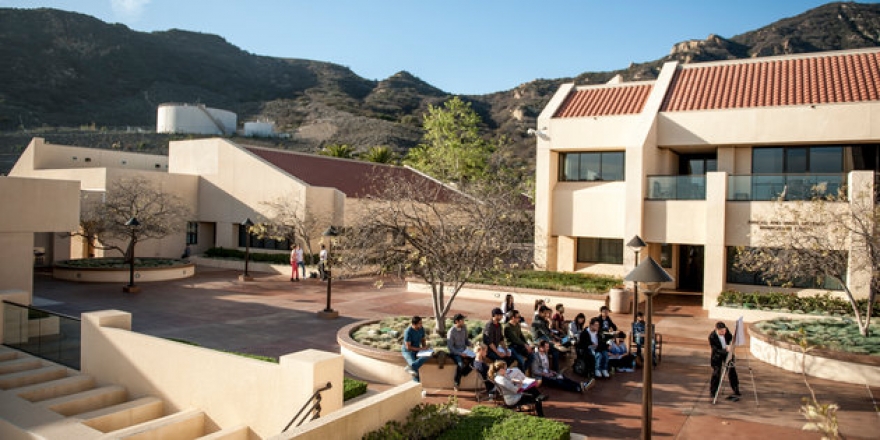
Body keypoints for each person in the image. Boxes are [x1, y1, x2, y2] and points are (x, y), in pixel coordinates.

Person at [709, 321, 741, 400]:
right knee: (716, 373)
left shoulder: (726, 331)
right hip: (717, 356)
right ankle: (713, 391)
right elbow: (715, 349)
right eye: (722, 331)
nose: (724, 332)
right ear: (717, 330)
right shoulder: (712, 336)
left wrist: (730, 345)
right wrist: (725, 350)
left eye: (724, 330)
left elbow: (730, 338)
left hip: (727, 354)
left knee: (731, 370)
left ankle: (736, 389)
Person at [447, 313, 474, 390]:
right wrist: (460, 354)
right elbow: (450, 348)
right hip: (455, 353)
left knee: (476, 360)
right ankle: (456, 383)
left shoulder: (464, 328)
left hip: (465, 351)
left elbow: (466, 340)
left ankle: (463, 373)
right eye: (462, 320)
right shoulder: (451, 332)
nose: (464, 322)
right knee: (460, 365)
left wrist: (471, 344)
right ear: (457, 321)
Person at [530, 305, 562, 371]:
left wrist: (555, 337)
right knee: (554, 349)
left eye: (547, 313)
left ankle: (554, 369)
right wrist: (554, 342)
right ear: (540, 312)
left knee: (555, 350)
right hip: (537, 340)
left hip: (543, 337)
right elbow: (546, 333)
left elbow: (548, 331)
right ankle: (553, 370)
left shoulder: (542, 319)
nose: (546, 315)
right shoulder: (538, 321)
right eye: (545, 313)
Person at [401, 316, 428, 382]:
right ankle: (418, 389)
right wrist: (421, 349)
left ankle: (410, 367)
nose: (421, 325)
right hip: (408, 351)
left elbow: (423, 340)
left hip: (417, 349)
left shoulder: (421, 329)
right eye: (420, 323)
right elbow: (408, 347)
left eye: (421, 323)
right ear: (414, 324)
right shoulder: (408, 332)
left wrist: (425, 348)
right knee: (415, 371)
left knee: (428, 355)